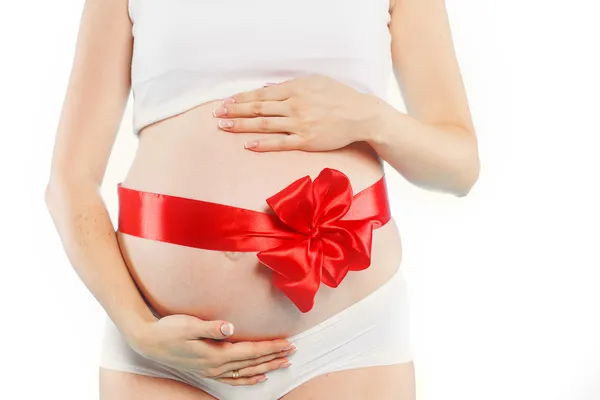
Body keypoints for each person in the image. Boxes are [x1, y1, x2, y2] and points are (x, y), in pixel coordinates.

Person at [44, 0, 479, 398]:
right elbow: (70, 181)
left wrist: (371, 117)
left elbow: (459, 166)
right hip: (164, 352)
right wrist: (136, 326)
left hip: (345, 341)